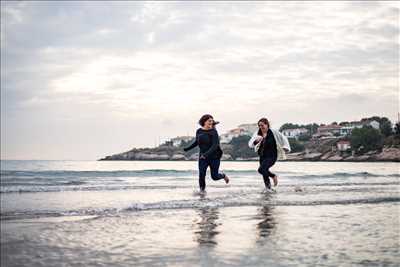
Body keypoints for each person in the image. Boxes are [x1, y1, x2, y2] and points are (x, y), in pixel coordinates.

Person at [184, 114, 229, 192]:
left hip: (214, 157)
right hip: (203, 158)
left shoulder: (214, 132)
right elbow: (197, 142)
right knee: (201, 175)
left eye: (212, 121)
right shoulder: (199, 131)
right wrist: (187, 149)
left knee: (214, 177)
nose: (211, 122)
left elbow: (215, 145)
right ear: (204, 121)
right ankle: (202, 192)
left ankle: (223, 176)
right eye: (209, 121)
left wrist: (205, 155)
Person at [248, 118, 291, 190]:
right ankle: (268, 189)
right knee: (264, 173)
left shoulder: (274, 132)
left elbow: (283, 138)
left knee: (261, 169)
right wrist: (256, 141)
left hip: (272, 156)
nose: (261, 127)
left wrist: (285, 147)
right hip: (262, 156)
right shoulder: (257, 133)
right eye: (259, 126)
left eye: (262, 125)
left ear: (267, 125)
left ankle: (273, 176)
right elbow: (251, 144)